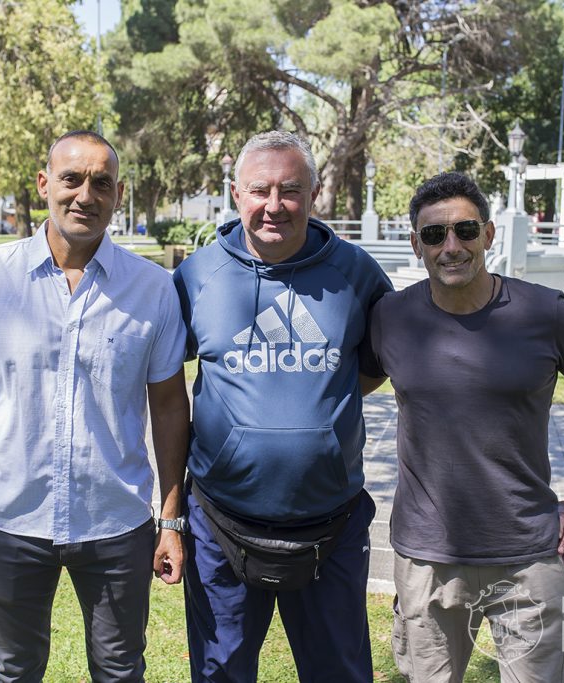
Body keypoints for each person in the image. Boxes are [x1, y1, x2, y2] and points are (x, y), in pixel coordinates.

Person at [0, 130, 190, 682]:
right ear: (45, 184)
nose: (84, 195)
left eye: (101, 183)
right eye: (71, 179)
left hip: (114, 519)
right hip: (9, 516)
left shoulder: (153, 289)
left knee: (120, 670)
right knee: (16, 670)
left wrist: (170, 518)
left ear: (118, 195)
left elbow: (169, 407)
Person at [360, 172, 564, 682]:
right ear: (417, 245)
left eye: (465, 230)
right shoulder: (391, 318)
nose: (451, 246)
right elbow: (346, 389)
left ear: (488, 234)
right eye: (435, 235)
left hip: (527, 555)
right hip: (426, 558)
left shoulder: (545, 314)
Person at [173, 131, 393, 682]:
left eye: (290, 190)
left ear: (314, 194)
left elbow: (375, 365)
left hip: (332, 523)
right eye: (259, 190)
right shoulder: (196, 276)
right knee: (220, 672)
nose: (274, 206)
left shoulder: (358, 274)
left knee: (338, 673)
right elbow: (161, 383)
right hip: (220, 524)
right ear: (235, 194)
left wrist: (318, 409)